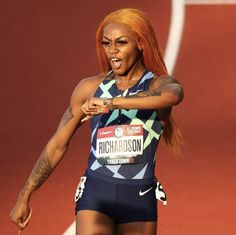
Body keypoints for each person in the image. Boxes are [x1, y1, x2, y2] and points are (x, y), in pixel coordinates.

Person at [10, 8, 184, 235]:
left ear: (140, 43)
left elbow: (174, 95)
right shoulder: (89, 88)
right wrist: (25, 194)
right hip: (96, 194)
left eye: (121, 43)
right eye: (106, 43)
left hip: (139, 198)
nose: (112, 51)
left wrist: (112, 103)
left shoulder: (157, 85)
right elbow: (57, 144)